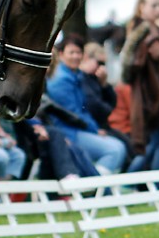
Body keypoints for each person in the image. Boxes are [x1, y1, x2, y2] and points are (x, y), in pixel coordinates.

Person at [45, 34, 126, 175]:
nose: (76, 56)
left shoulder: (76, 75)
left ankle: (94, 183)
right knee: (114, 150)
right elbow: (73, 114)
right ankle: (94, 186)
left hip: (80, 129)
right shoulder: (60, 80)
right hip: (69, 132)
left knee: (119, 147)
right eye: (72, 52)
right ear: (62, 54)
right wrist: (95, 130)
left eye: (79, 52)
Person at [120, 0, 159, 173]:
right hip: (152, 94)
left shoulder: (144, 27)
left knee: (156, 141)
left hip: (156, 92)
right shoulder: (143, 28)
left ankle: (133, 183)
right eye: (154, 5)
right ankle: (145, 184)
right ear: (141, 7)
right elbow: (157, 52)